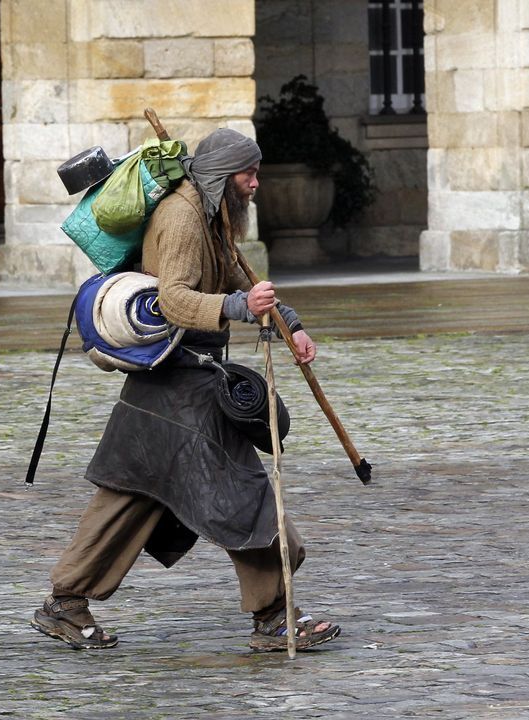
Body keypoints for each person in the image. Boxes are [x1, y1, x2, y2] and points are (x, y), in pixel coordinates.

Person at [31, 128, 341, 653]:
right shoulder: (181, 218)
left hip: (179, 382)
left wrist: (287, 319)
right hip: (179, 383)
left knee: (133, 494)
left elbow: (233, 281)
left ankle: (66, 602)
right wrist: (237, 310)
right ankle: (272, 617)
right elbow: (174, 299)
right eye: (249, 174)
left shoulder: (211, 213)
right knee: (243, 493)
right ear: (224, 175)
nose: (256, 184)